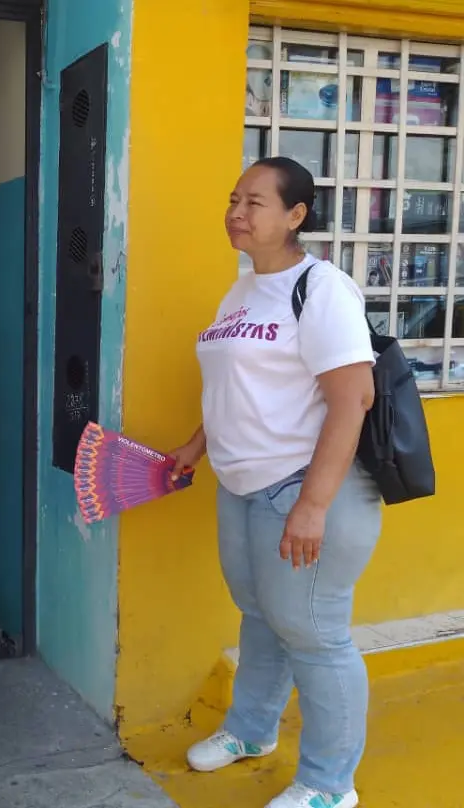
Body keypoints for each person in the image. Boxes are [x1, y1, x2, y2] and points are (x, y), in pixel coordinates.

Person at [171, 157, 380, 808]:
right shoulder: (240, 292)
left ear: (295, 216)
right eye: (234, 198)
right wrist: (198, 446)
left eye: (255, 202)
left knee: (316, 636)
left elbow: (353, 399)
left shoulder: (321, 288)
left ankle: (328, 784)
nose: (237, 211)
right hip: (241, 486)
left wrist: (313, 506)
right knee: (261, 618)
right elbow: (238, 386)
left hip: (303, 488)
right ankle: (251, 732)